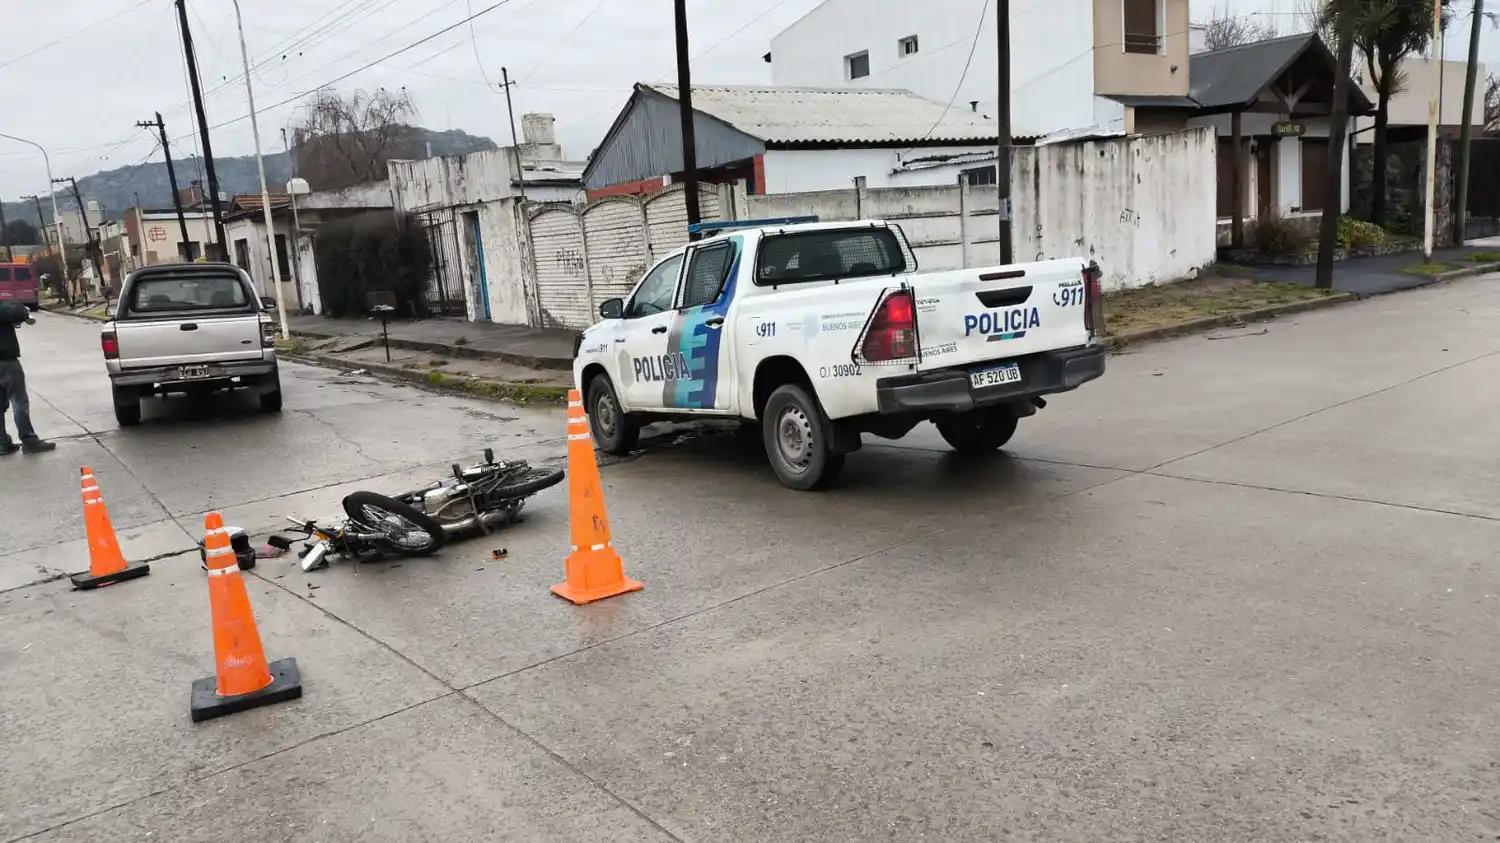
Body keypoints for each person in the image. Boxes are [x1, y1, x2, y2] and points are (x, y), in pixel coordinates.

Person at [0, 302, 56, 454]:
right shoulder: (3, 308)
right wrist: (22, 309)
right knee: (19, 402)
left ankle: (2, 443)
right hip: (6, 361)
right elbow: (15, 311)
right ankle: (29, 440)